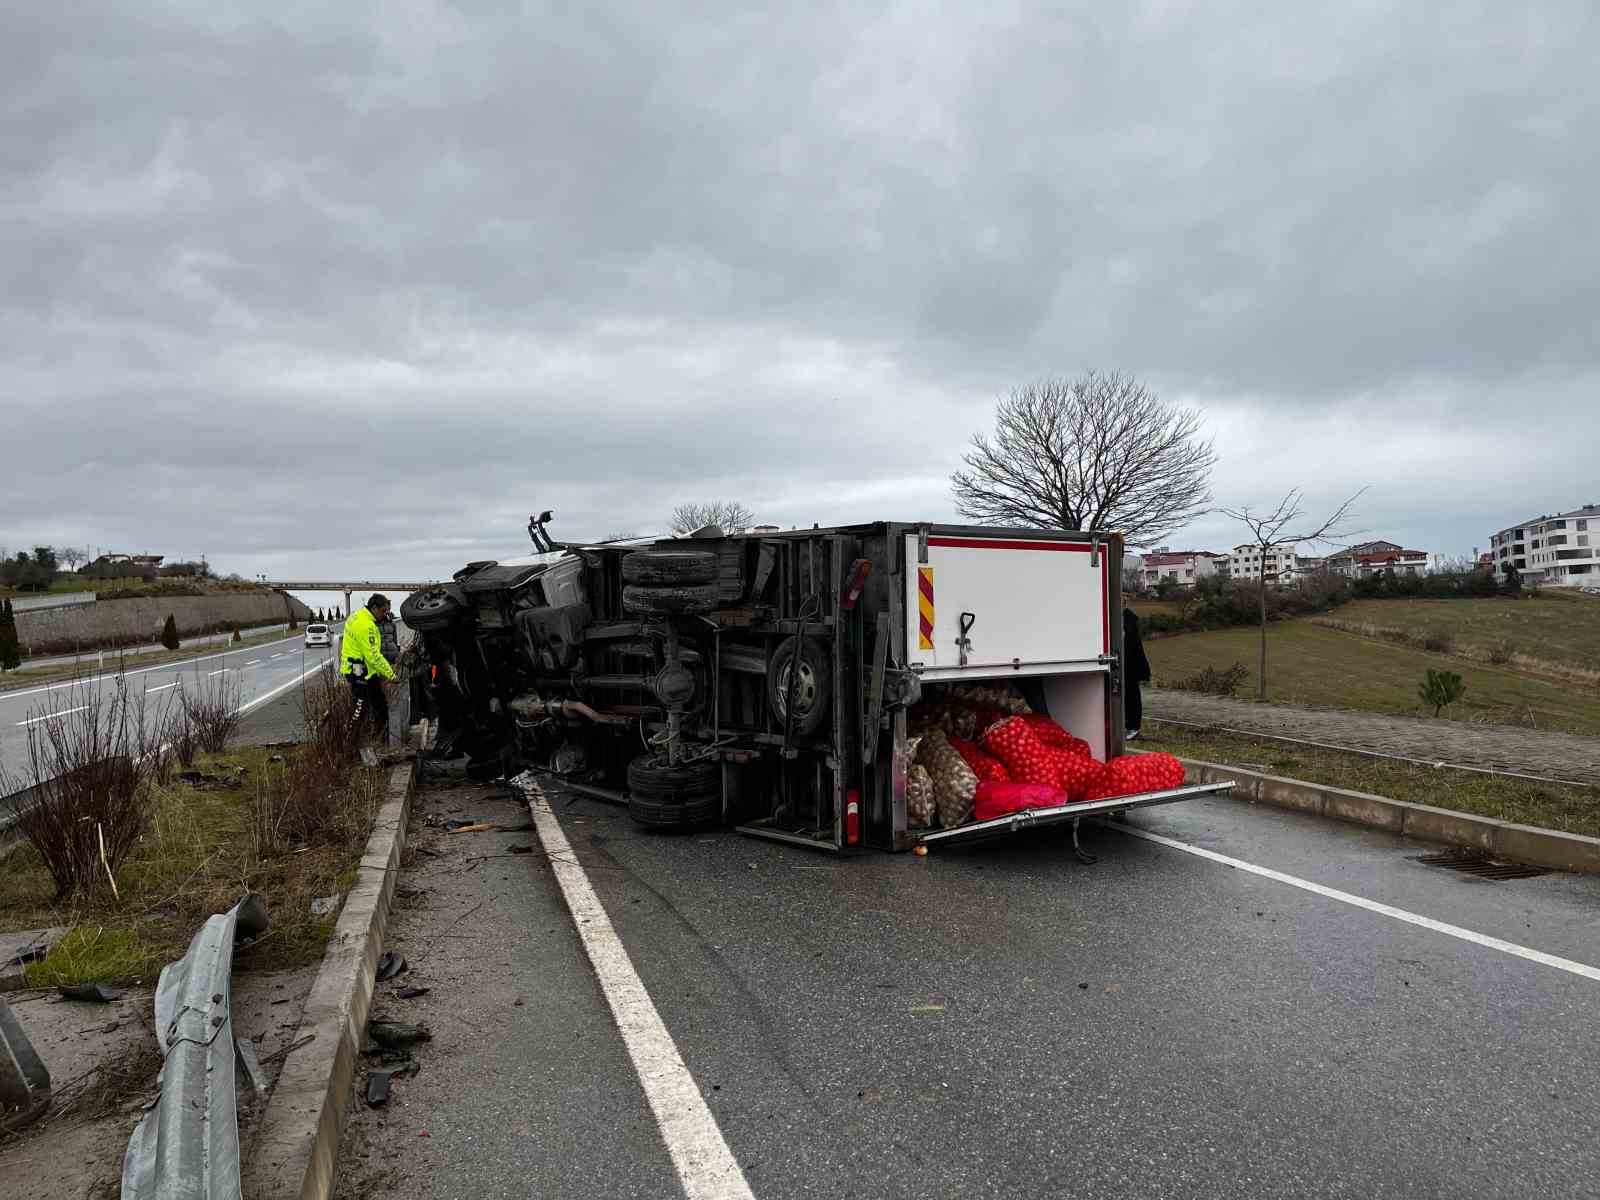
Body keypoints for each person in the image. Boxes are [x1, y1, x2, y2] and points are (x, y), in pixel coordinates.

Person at [341, 593, 396, 741]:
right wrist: (391, 675)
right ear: (374, 608)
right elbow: (373, 656)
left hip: (356, 669)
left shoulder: (356, 616)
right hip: (361, 672)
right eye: (383, 611)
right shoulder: (367, 626)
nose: (385, 614)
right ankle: (353, 741)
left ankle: (376, 737)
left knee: (377, 704)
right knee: (361, 709)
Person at [1122, 607, 1151, 740]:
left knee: (1131, 696)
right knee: (1129, 696)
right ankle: (1130, 726)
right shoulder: (1127, 620)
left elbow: (1132, 647)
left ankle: (1132, 727)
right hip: (1127, 667)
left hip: (1129, 668)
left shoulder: (1128, 622)